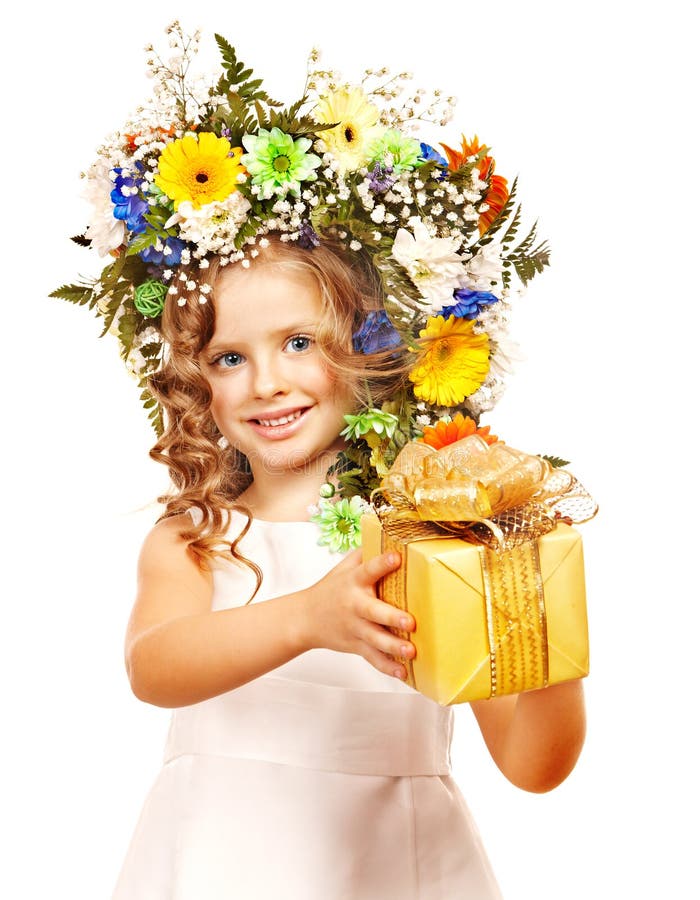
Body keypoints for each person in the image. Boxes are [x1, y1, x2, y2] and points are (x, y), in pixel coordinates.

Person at [53, 24, 587, 899]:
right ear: (199, 382)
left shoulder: (431, 540)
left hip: (401, 867)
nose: (266, 382)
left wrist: (545, 618)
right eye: (230, 358)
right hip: (223, 863)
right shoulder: (200, 539)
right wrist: (309, 617)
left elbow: (534, 764)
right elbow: (155, 667)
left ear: (369, 351)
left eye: (299, 342)